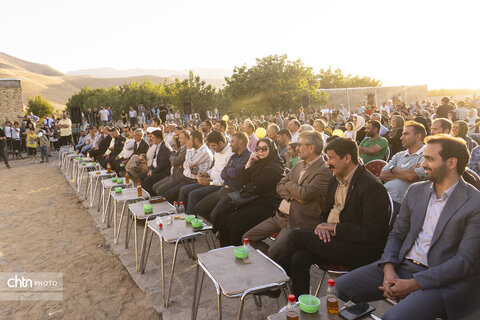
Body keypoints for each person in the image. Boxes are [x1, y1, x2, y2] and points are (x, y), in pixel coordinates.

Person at [336, 135, 480, 320]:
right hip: (402, 266)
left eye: (429, 159)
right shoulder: (416, 190)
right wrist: (388, 269)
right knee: (339, 288)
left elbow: (464, 262)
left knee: (391, 318)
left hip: (440, 281)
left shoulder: (474, 203)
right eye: (423, 157)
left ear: (451, 162)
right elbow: (397, 234)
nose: (422, 164)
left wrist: (413, 284)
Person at [277, 137, 390, 298]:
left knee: (295, 235)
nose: (327, 162)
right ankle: (300, 303)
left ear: (347, 158)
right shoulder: (334, 179)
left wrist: (335, 228)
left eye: (331, 158)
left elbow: (372, 233)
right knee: (298, 257)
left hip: (358, 248)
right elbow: (324, 213)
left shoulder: (372, 187)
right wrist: (322, 226)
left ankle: (277, 281)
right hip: (333, 240)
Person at [244, 131, 332, 260]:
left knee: (273, 253)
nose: (297, 148)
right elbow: (279, 185)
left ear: (311, 148)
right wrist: (293, 194)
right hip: (279, 216)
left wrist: (290, 185)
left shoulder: (324, 171)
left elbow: (304, 195)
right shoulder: (298, 165)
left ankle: (276, 263)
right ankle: (278, 262)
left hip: (296, 221)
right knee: (247, 239)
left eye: (300, 145)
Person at [215, 137, 284, 247]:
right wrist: (249, 162)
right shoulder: (257, 163)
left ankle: (237, 251)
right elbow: (244, 181)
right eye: (258, 148)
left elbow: (257, 186)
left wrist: (248, 185)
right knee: (223, 215)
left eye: (264, 149)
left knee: (234, 220)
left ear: (271, 150)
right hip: (252, 199)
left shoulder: (274, 167)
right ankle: (226, 250)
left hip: (265, 205)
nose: (260, 151)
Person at [194, 132, 251, 220]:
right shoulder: (234, 156)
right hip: (223, 189)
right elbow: (223, 174)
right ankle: (210, 229)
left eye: (232, 142)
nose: (230, 144)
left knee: (215, 215)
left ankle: (216, 231)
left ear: (240, 142)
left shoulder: (248, 156)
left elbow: (237, 173)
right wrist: (230, 170)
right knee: (199, 207)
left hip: (233, 192)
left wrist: (229, 170)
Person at [380, 121, 426, 221]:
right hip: (384, 197)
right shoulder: (399, 155)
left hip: (403, 204)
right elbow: (383, 175)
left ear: (418, 136)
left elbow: (411, 176)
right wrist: (406, 172)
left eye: (406, 134)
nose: (401, 138)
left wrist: (393, 169)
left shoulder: (427, 155)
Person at [178, 131, 233, 212]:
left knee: (193, 195)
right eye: (211, 145)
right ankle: (180, 214)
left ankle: (190, 219)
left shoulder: (230, 154)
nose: (212, 148)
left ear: (221, 143)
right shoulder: (218, 151)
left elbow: (224, 178)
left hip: (217, 184)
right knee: (184, 189)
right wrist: (206, 173)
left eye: (213, 145)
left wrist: (209, 182)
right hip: (209, 180)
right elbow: (215, 168)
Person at [155, 130, 212, 201]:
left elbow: (188, 164)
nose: (188, 142)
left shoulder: (204, 152)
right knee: (161, 191)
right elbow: (186, 164)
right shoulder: (194, 149)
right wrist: (189, 165)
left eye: (190, 140)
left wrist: (189, 149)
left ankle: (177, 210)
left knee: (167, 194)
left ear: (196, 140)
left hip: (193, 180)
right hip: (185, 178)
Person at [152, 130, 189, 194]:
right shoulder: (181, 147)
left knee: (160, 190)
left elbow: (175, 161)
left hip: (177, 177)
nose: (179, 140)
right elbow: (172, 157)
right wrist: (174, 160)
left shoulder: (186, 149)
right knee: (155, 186)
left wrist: (174, 160)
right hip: (172, 174)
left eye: (180, 138)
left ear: (186, 139)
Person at [140, 130, 172, 195]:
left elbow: (163, 165)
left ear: (159, 138)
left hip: (162, 172)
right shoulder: (158, 146)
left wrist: (153, 171)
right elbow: (154, 160)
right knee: (142, 176)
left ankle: (152, 196)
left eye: (153, 138)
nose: (151, 139)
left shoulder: (165, 148)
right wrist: (150, 169)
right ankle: (146, 195)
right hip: (155, 169)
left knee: (148, 180)